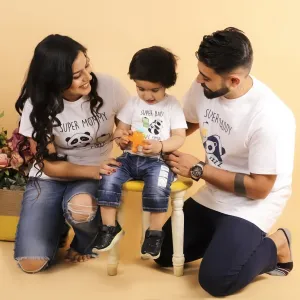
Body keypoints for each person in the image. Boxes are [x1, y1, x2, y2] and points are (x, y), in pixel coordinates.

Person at [155, 27, 296, 297]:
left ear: (232, 80)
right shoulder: (204, 87)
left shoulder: (270, 117)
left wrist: (197, 169)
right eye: (199, 71)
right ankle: (228, 243)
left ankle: (276, 244)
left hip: (251, 202)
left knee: (217, 281)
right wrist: (153, 144)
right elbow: (185, 123)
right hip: (215, 188)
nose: (197, 80)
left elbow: (260, 188)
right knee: (162, 253)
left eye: (205, 76)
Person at [14, 34, 129, 273]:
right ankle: (57, 225)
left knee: (80, 208)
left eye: (86, 65)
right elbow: (48, 165)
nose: (87, 77)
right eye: (76, 75)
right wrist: (93, 170)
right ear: (54, 80)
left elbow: (127, 129)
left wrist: (125, 138)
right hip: (51, 177)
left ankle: (85, 239)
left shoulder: (109, 87)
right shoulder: (37, 104)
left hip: (92, 179)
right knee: (31, 263)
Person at [93, 46, 187, 259]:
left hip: (157, 161)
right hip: (130, 158)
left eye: (154, 90)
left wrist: (160, 146)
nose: (148, 95)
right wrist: (121, 138)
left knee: (158, 186)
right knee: (108, 176)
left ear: (167, 84)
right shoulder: (133, 104)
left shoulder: (172, 106)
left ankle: (154, 233)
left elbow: (179, 137)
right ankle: (109, 228)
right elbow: (120, 129)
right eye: (141, 89)